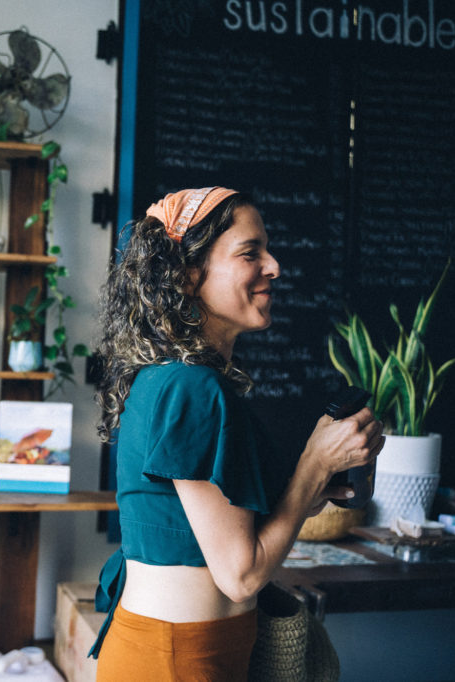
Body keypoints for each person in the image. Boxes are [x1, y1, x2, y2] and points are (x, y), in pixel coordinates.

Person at [90, 187, 384, 680]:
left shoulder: (178, 378)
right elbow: (241, 575)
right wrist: (314, 464)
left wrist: (315, 484)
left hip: (185, 649)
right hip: (177, 657)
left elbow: (214, 530)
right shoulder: (192, 386)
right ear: (186, 276)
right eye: (250, 253)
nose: (274, 267)